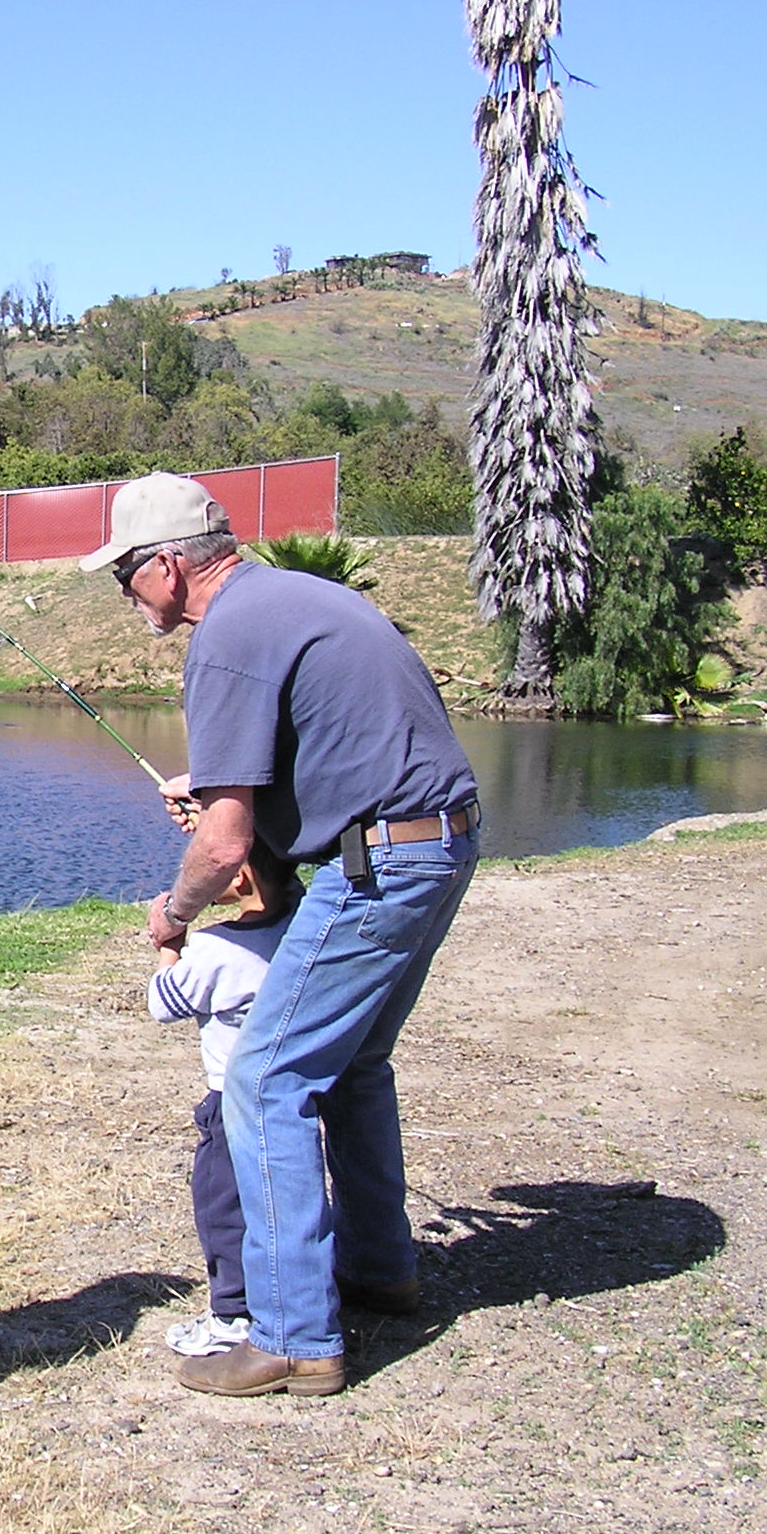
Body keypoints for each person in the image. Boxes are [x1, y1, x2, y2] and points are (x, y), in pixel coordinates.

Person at [82, 472, 481, 1398]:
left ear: (168, 566)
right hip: (442, 840)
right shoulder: (294, 598)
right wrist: (215, 788)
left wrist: (174, 913)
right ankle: (379, 1271)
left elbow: (225, 846)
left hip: (379, 863)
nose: (125, 594)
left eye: (125, 576)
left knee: (265, 1080)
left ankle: (294, 1337)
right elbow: (327, 752)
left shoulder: (224, 639)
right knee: (355, 1064)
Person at [145, 845, 298, 1360]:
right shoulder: (303, 929)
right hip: (290, 1095)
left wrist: (171, 944)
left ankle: (231, 1313)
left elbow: (163, 1003)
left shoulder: (216, 949)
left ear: (241, 877)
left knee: (221, 1205)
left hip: (229, 1100)